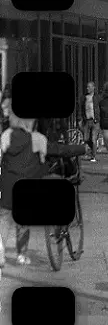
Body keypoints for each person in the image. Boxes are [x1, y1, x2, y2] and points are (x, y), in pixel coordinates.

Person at [0, 108, 48, 268]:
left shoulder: (6, 135)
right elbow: (43, 160)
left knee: (4, 218)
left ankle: (0, 251)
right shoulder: (37, 138)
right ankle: (21, 255)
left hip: (7, 184)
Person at [83, 81, 99, 160]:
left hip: (95, 121)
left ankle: (93, 156)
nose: (87, 88)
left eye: (89, 87)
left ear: (93, 87)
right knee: (86, 139)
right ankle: (93, 150)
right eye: (87, 87)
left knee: (93, 139)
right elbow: (81, 108)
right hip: (87, 120)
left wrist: (98, 118)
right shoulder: (84, 97)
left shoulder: (97, 97)